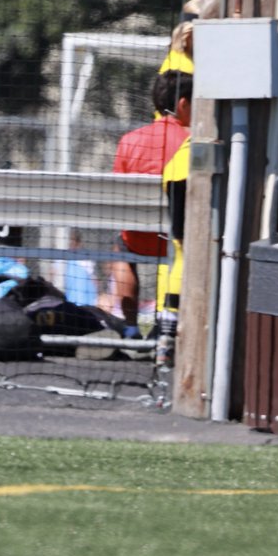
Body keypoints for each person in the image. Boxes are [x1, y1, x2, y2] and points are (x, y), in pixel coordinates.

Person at [110, 71, 191, 333]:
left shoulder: (129, 141)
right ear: (183, 105)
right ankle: (168, 323)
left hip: (137, 239)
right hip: (178, 240)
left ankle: (130, 327)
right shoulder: (191, 143)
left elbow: (117, 192)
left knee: (120, 249)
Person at [157, 71, 193, 370]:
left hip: (145, 237)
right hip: (186, 184)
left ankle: (165, 339)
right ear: (184, 104)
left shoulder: (135, 139)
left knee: (179, 249)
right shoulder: (191, 139)